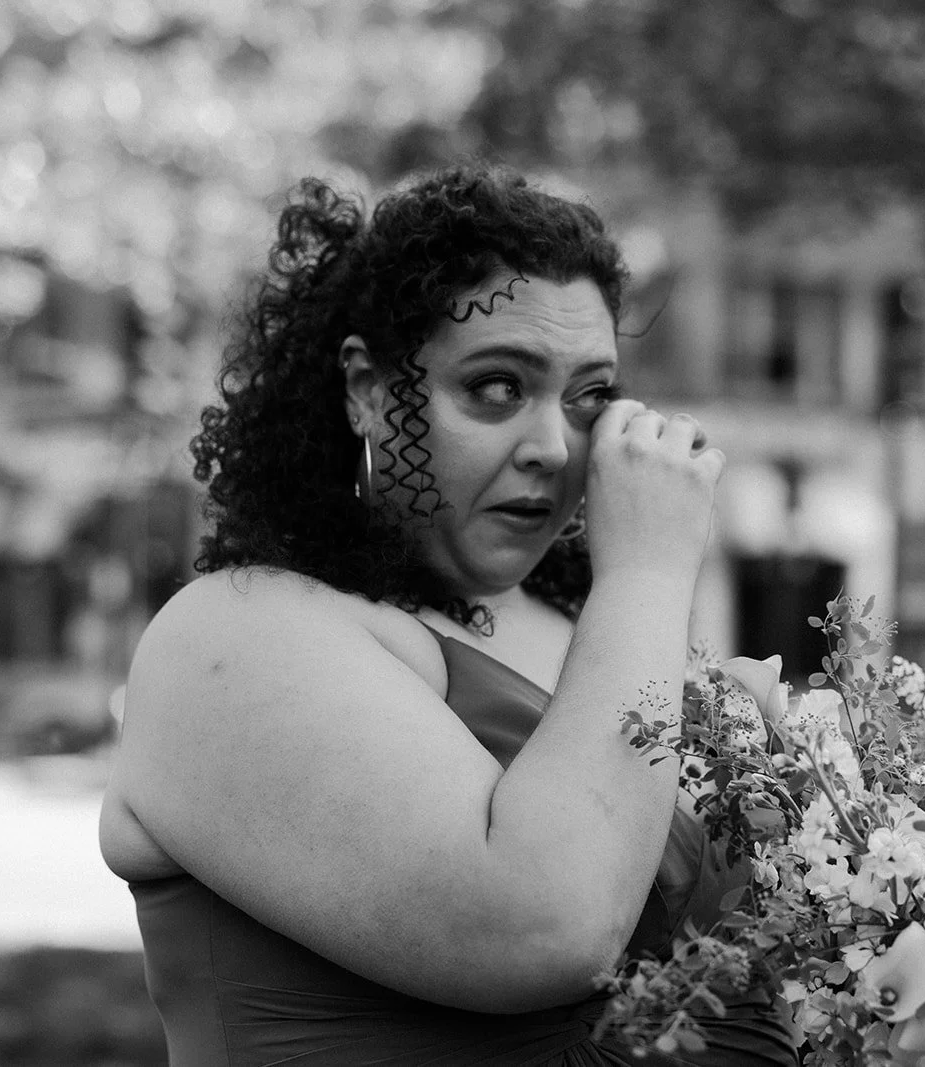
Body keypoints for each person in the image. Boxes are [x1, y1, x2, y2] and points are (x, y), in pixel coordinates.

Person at [99, 162, 799, 1066]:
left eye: (589, 397)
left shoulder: (584, 629)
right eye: (498, 386)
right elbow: (547, 926)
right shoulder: (228, 638)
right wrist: (653, 572)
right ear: (366, 387)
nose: (555, 446)